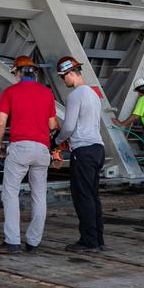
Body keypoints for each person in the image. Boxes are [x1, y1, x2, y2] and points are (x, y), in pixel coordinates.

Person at [0, 55, 59, 254]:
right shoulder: (47, 93)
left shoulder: (10, 92)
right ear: (34, 72)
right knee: (39, 195)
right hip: (42, 150)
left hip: (20, 148)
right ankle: (33, 242)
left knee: (10, 193)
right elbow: (53, 125)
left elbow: (2, 122)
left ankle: (12, 241)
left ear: (18, 73)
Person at [56, 56, 106, 252]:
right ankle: (98, 239)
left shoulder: (75, 95)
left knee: (82, 197)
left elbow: (68, 126)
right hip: (97, 149)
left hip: (83, 151)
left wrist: (57, 141)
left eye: (63, 77)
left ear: (70, 73)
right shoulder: (93, 94)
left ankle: (88, 241)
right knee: (93, 196)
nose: (63, 81)